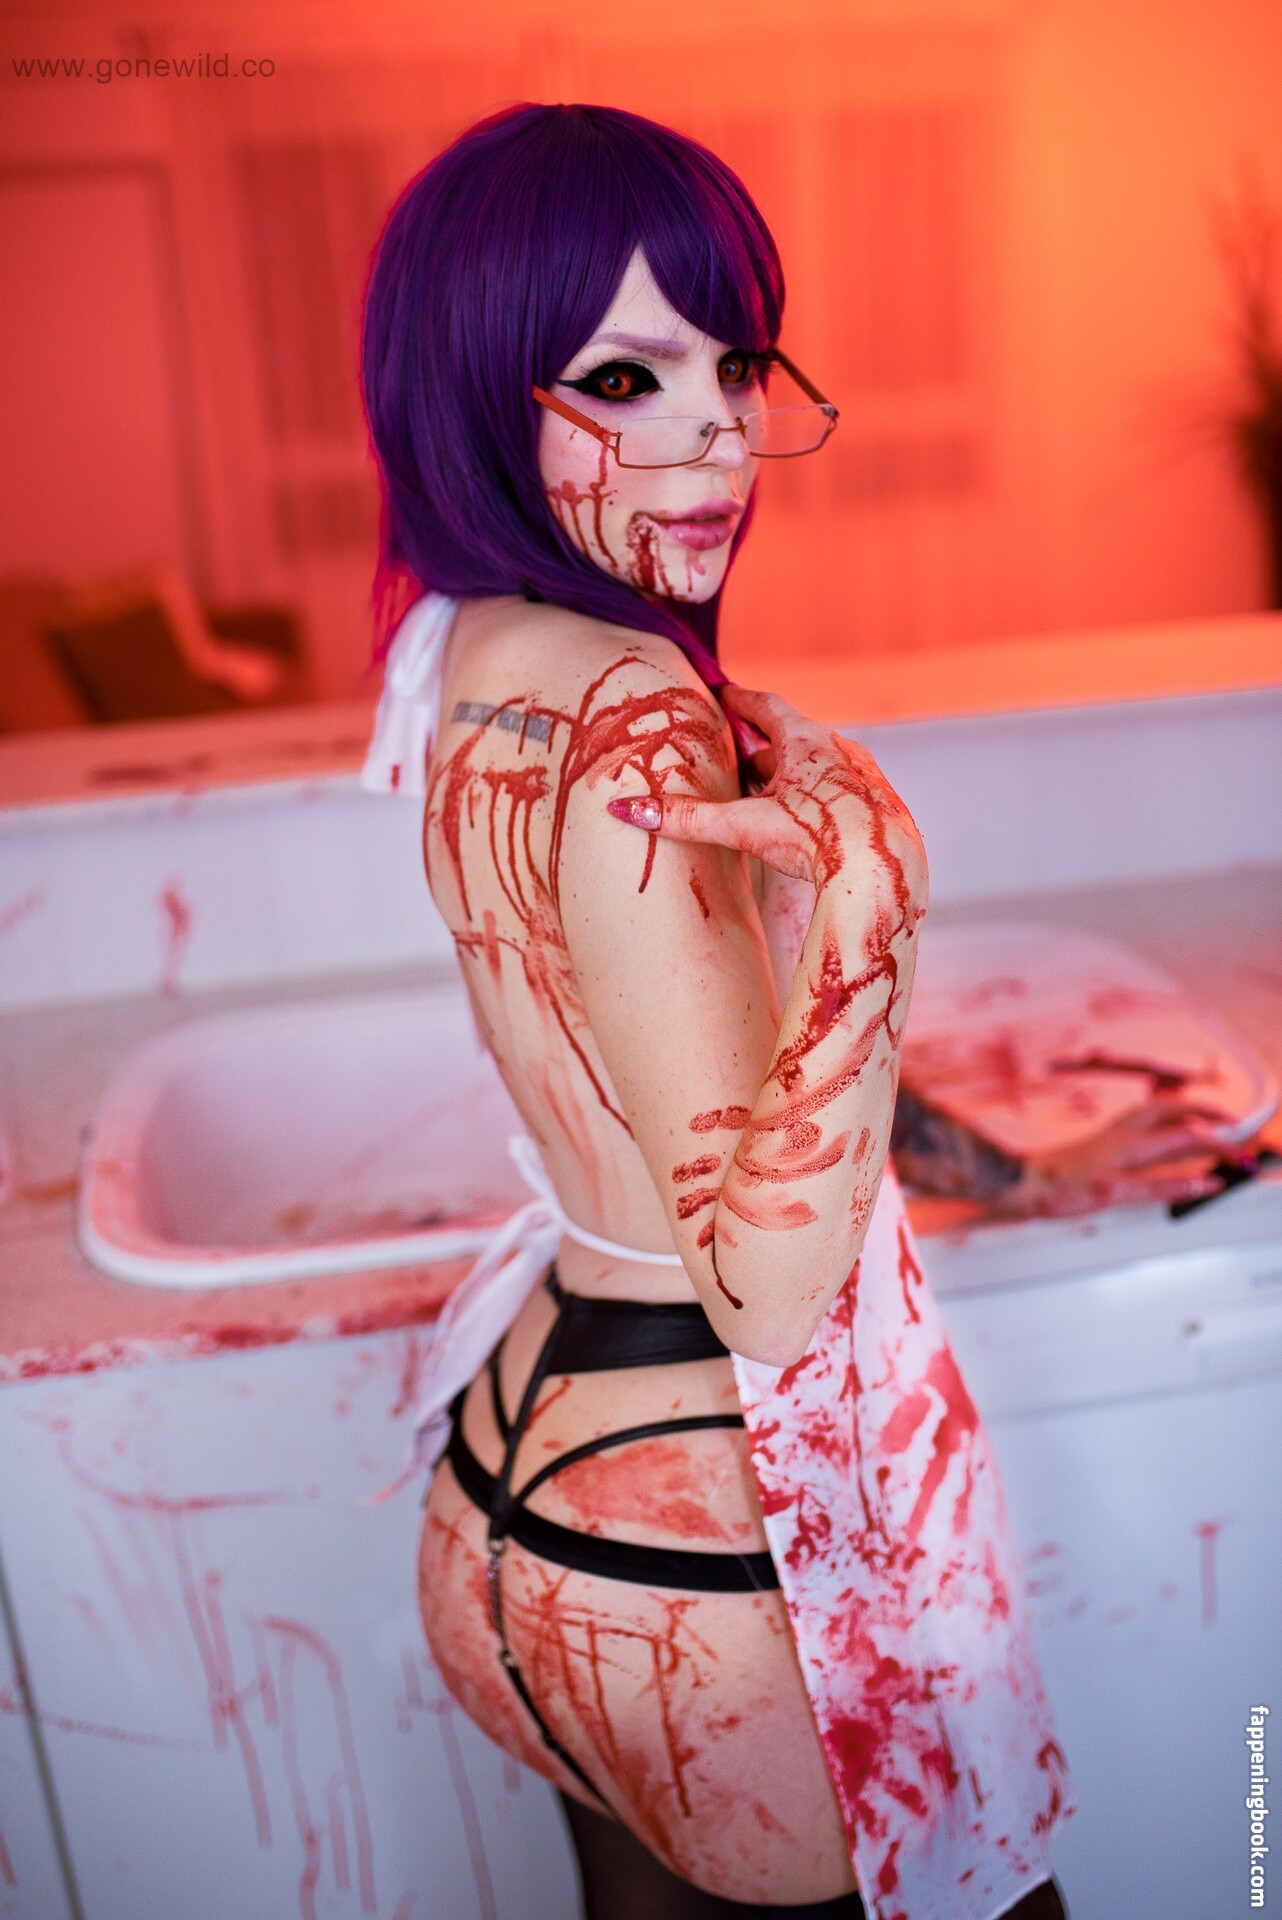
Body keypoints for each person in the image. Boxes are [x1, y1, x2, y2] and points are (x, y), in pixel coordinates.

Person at [361, 102, 1074, 1920]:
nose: (719, 435)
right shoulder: (632, 706)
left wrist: (989, 1158)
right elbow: (765, 1286)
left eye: (735, 361)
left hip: (513, 1501)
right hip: (697, 1555)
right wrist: (877, 896)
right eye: (624, 376)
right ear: (478, 398)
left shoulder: (463, 638)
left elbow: (659, 1059)